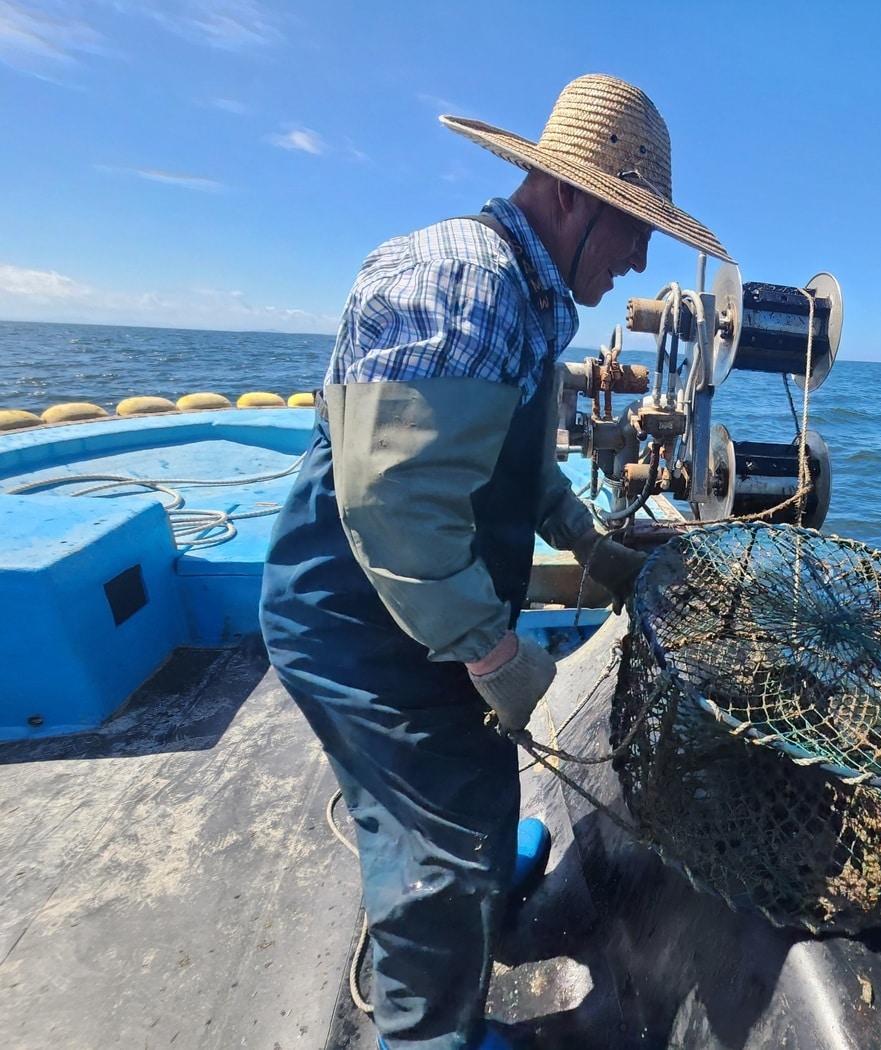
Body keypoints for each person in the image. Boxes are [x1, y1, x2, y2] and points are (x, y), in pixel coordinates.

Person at [259, 74, 730, 1050]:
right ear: (568, 200)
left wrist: (589, 546)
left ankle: (482, 878)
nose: (641, 258)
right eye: (632, 227)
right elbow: (394, 509)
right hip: (359, 623)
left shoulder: (528, 296)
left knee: (477, 772)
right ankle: (434, 1028)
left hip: (419, 607)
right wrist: (491, 653)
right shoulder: (468, 280)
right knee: (431, 840)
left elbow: (520, 466)